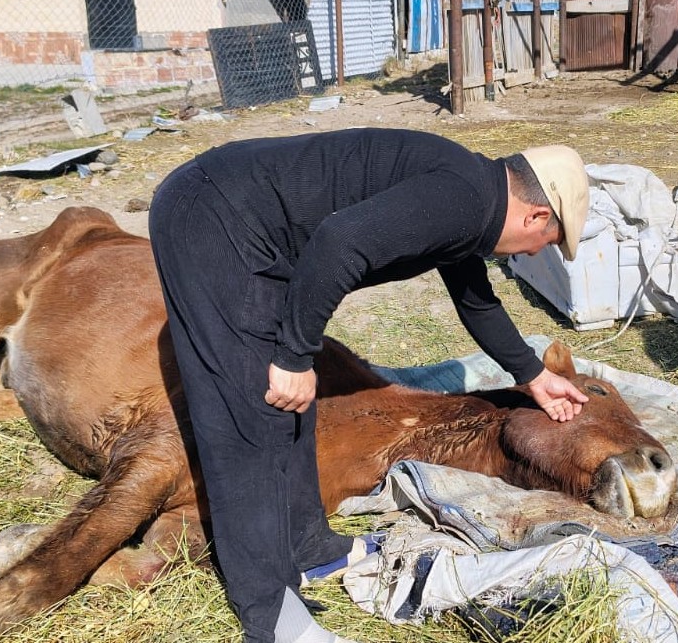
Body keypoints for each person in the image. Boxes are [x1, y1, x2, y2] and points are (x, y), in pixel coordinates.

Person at [148, 128, 592, 643]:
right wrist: (294, 354)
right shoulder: (465, 200)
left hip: (244, 221)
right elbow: (340, 241)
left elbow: (476, 301)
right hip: (213, 214)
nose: (536, 254)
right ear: (535, 216)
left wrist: (534, 375)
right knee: (250, 415)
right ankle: (269, 617)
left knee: (297, 402)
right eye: (548, 243)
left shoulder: (472, 198)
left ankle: (309, 547)